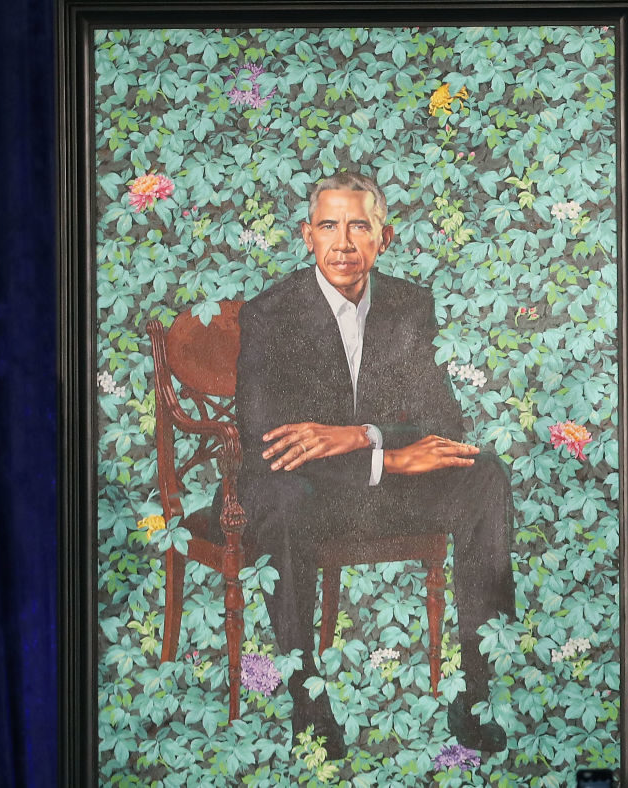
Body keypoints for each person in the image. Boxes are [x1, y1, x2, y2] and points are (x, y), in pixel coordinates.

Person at [235, 172, 515, 757]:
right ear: (307, 235)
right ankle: (308, 702)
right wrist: (389, 459)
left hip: (377, 488)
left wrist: (362, 436)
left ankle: (475, 691)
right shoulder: (270, 314)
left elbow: (444, 421)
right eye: (328, 226)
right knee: (284, 499)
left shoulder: (410, 305)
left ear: (383, 239)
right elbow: (274, 446)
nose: (343, 243)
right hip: (299, 489)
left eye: (359, 226)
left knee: (484, 473)